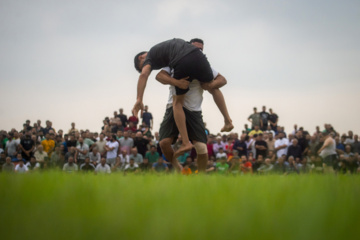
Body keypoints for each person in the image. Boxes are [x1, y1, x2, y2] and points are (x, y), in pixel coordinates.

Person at [133, 38, 233, 160]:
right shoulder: (173, 50)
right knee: (213, 87)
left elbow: (144, 74)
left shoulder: (151, 55)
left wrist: (139, 99)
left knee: (177, 103)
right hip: (198, 59)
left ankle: (185, 142)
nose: (150, 67)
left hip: (182, 61)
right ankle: (228, 121)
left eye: (143, 66)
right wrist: (209, 85)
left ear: (141, 57)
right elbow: (222, 80)